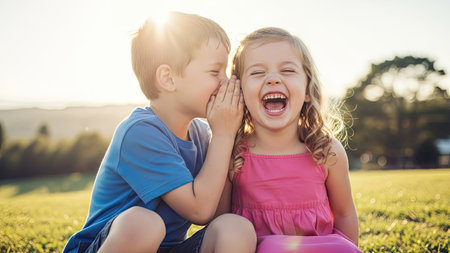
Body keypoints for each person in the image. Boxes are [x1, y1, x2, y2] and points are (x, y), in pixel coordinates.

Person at [63, 12, 256, 253]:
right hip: (110, 244)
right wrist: (224, 136)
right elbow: (199, 209)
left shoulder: (203, 134)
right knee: (145, 224)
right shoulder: (140, 132)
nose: (226, 82)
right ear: (168, 78)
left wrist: (228, 139)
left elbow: (217, 214)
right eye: (215, 72)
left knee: (234, 227)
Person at [216, 27, 362, 253]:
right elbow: (222, 224)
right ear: (240, 91)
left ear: (306, 90)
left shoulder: (326, 151)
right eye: (257, 73)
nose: (273, 79)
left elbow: (344, 213)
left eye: (287, 70)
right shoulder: (232, 152)